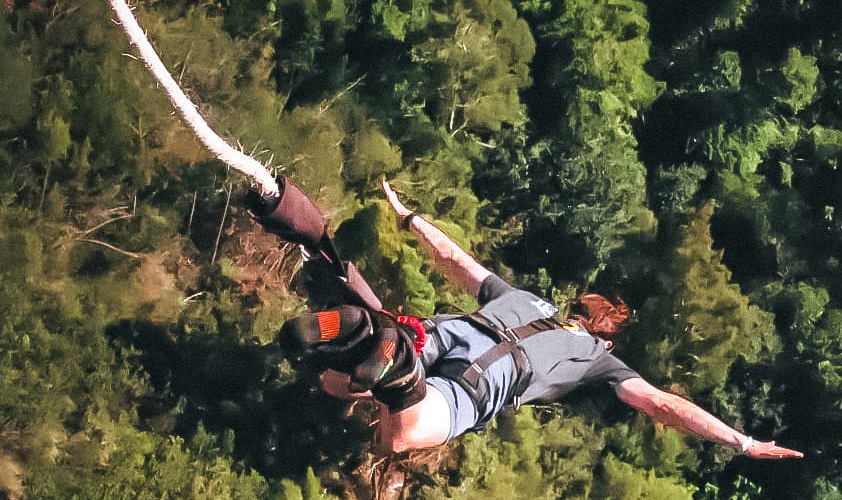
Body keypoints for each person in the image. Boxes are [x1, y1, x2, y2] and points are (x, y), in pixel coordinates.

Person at [245, 176, 802, 461]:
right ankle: (399, 373)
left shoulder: (525, 298)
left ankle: (375, 339)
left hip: (443, 333)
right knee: (400, 435)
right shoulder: (600, 365)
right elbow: (663, 404)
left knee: (334, 382)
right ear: (607, 336)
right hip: (482, 384)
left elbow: (455, 259)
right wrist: (740, 441)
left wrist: (408, 216)